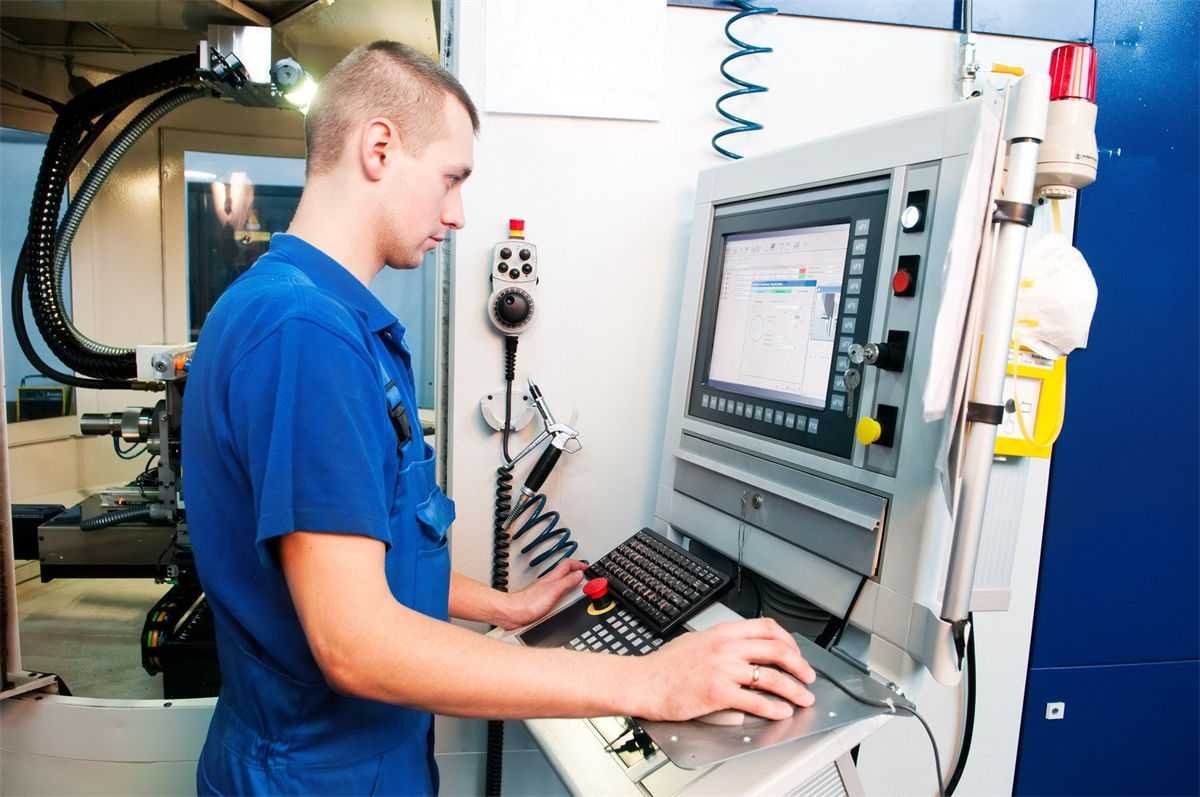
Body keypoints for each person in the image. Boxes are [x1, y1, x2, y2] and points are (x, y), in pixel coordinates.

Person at [183, 41, 816, 796]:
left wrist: (504, 604)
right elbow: (355, 643)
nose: (456, 214)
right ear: (378, 148)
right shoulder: (305, 333)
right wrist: (649, 683)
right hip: (315, 775)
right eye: (451, 179)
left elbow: (352, 557)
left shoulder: (305, 313)